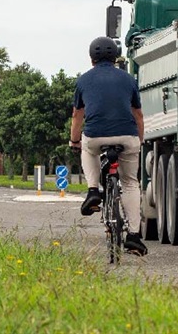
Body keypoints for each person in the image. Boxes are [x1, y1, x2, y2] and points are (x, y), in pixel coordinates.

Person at [69, 36, 147, 256]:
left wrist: (74, 140)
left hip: (95, 136)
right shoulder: (128, 79)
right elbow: (138, 115)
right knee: (130, 183)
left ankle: (93, 191)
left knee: (87, 148)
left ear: (91, 58)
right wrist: (138, 141)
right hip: (127, 136)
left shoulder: (83, 80)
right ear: (116, 57)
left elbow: (77, 115)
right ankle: (133, 236)